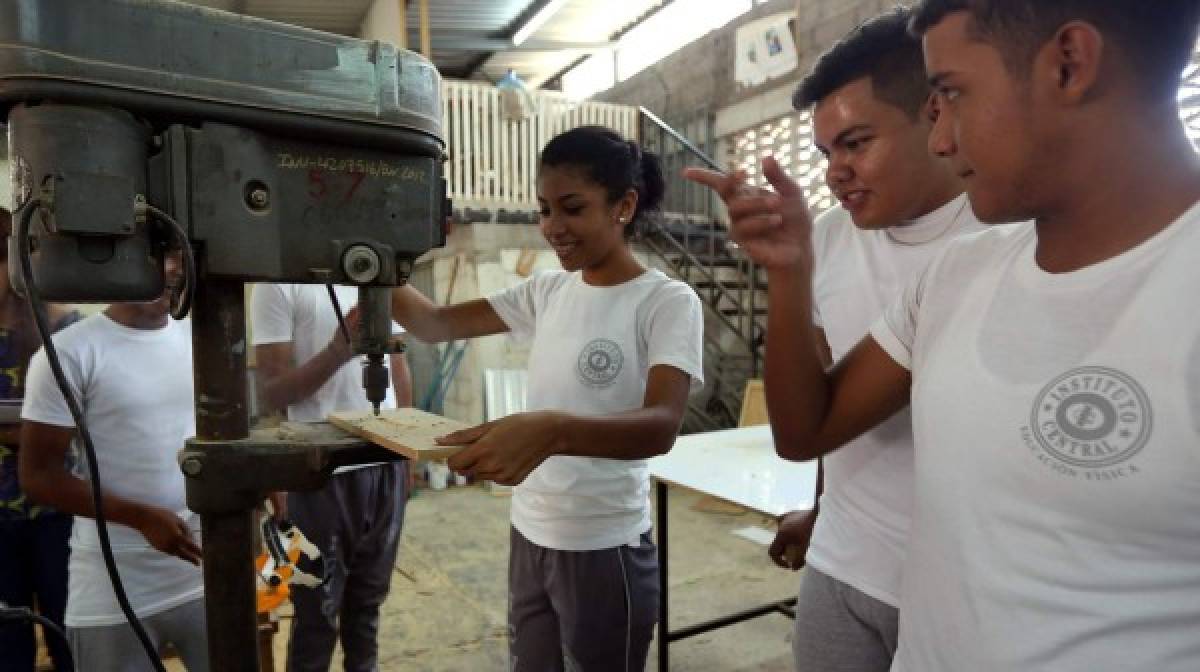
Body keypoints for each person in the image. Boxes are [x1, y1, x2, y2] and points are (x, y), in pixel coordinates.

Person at [688, 1, 1200, 669]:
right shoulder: (960, 274)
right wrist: (790, 274)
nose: (941, 139)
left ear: (1070, 64)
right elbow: (808, 431)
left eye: (951, 95)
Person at [390, 125, 704, 671]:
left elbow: (660, 425)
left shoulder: (665, 301)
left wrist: (552, 430)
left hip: (604, 547)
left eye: (572, 208)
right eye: (544, 209)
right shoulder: (548, 290)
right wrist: (362, 261)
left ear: (623, 206)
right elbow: (434, 323)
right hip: (530, 535)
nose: (552, 227)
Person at [759, 7, 983, 671]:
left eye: (856, 143)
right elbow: (824, 412)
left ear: (934, 116)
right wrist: (820, 509)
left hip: (956, 579)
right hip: (844, 561)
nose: (834, 172)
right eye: (827, 152)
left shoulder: (1000, 236)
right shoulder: (826, 238)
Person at [19, 254, 208, 670]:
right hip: (115, 586)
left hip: (202, 574)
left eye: (177, 258)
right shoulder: (70, 352)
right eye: (156, 259)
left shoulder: (202, 337)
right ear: (120, 265)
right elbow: (38, 476)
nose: (171, 270)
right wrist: (139, 517)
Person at [250, 283, 412, 672]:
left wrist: (408, 458)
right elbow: (271, 394)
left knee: (367, 607)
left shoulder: (379, 276)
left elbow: (398, 368)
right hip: (320, 474)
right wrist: (338, 352)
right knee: (317, 615)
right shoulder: (278, 284)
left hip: (383, 464)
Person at [0, 206, 81, 671]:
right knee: (8, 646)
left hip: (57, 512)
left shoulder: (62, 327)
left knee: (68, 636)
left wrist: (28, 435)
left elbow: (77, 428)